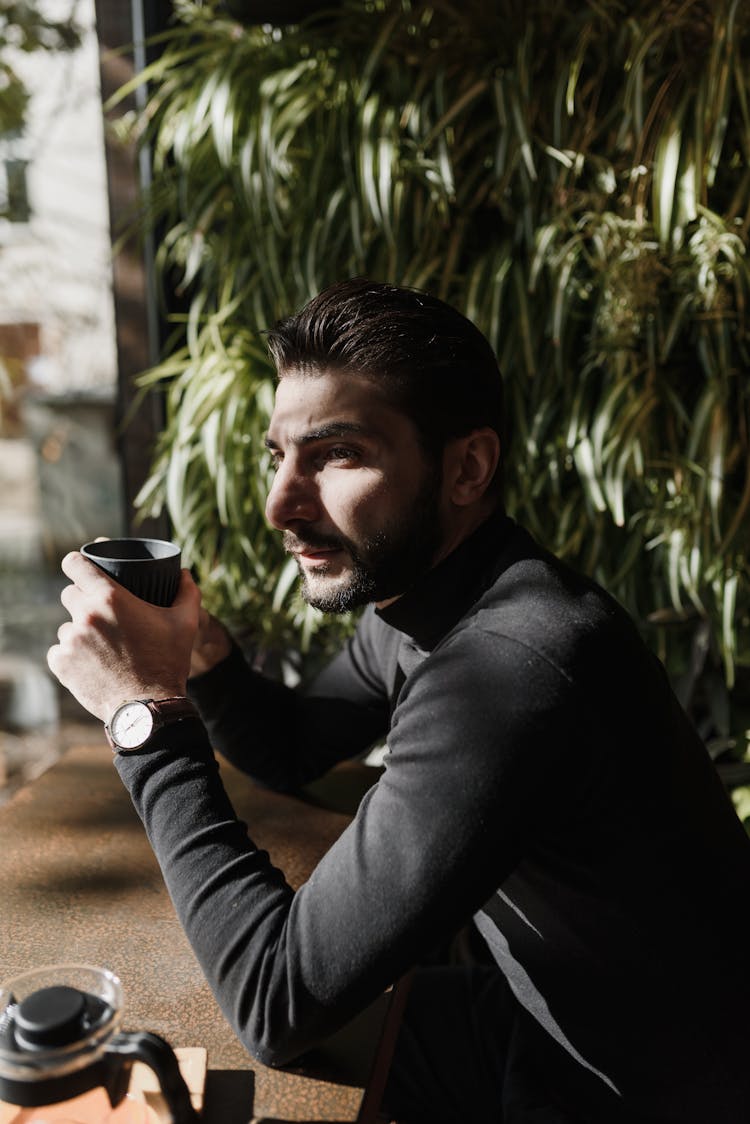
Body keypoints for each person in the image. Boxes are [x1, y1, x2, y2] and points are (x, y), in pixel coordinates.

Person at [48, 278, 750, 1124]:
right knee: (151, 1063)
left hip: (637, 1089)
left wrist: (142, 713)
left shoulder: (512, 668)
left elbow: (275, 999)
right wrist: (202, 653)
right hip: (551, 1020)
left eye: (337, 454)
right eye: (280, 456)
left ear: (467, 467)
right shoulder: (434, 595)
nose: (280, 504)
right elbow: (292, 745)